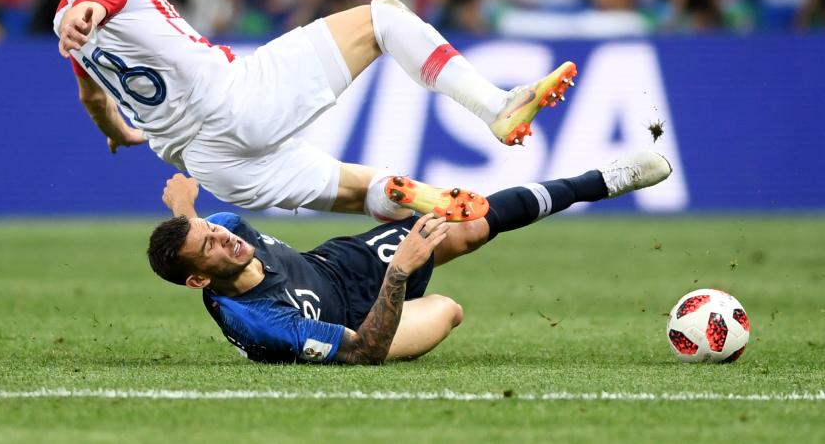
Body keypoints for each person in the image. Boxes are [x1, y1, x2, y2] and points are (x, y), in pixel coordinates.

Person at [54, 0, 577, 223]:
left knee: (358, 188)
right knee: (385, 17)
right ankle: (495, 107)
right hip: (237, 103)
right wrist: (91, 13)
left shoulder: (64, 19)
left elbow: (93, 100)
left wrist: (122, 132)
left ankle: (422, 204)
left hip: (212, 166)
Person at [147, 151, 673, 364]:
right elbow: (363, 353)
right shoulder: (263, 319)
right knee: (446, 308)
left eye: (210, 232)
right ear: (199, 281)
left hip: (339, 265)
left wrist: (185, 210)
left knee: (465, 226)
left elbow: (200, 228)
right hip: (357, 324)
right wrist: (400, 271)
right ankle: (408, 272)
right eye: (208, 246)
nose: (223, 238)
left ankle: (600, 182)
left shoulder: (226, 229)